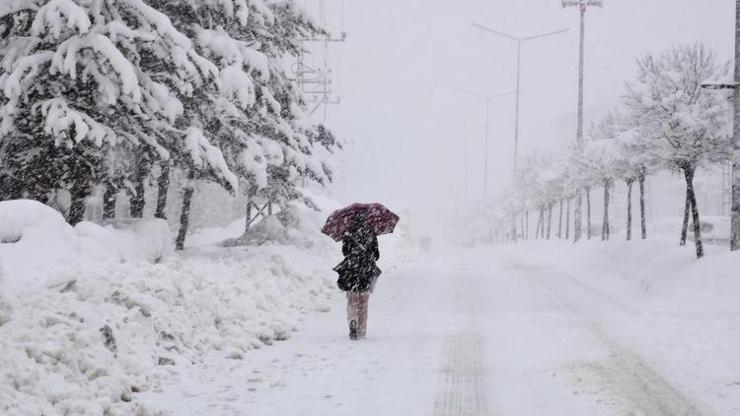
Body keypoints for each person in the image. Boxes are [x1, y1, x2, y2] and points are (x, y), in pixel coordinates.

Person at [334, 213, 381, 340]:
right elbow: (377, 255)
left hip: (351, 273)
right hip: (366, 272)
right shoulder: (371, 233)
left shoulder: (348, 233)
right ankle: (361, 330)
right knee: (363, 303)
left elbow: (345, 252)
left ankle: (352, 321)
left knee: (352, 301)